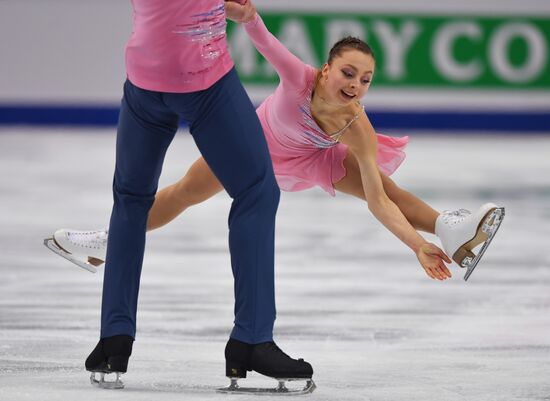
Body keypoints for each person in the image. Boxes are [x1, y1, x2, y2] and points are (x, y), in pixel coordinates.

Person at [49, 0, 504, 380]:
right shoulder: (300, 77)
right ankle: (109, 243)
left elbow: (381, 203)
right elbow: (262, 39)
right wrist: (247, 18)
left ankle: (448, 228)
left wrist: (416, 245)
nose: (356, 85)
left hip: (309, 159)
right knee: (185, 191)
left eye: (365, 79)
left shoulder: (356, 122)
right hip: (258, 144)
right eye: (348, 73)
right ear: (325, 70)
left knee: (381, 185)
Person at [47, 0, 315, 393]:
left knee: (131, 200)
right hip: (202, 81)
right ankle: (252, 339)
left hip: (144, 81)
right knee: (257, 190)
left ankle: (113, 341)